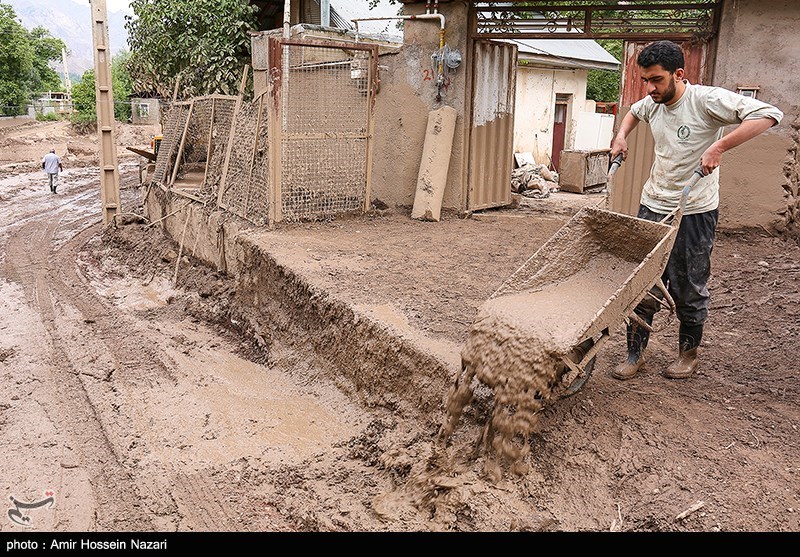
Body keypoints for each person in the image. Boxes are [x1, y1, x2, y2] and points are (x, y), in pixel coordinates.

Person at [609, 40, 783, 381]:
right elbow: (634, 111)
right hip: (653, 205)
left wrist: (719, 146)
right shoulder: (652, 102)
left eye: (656, 80)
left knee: (689, 285)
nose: (650, 88)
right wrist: (621, 136)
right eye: (645, 80)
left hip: (695, 210)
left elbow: (769, 114)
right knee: (643, 283)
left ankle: (688, 354)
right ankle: (635, 353)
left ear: (678, 74)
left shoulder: (707, 100)